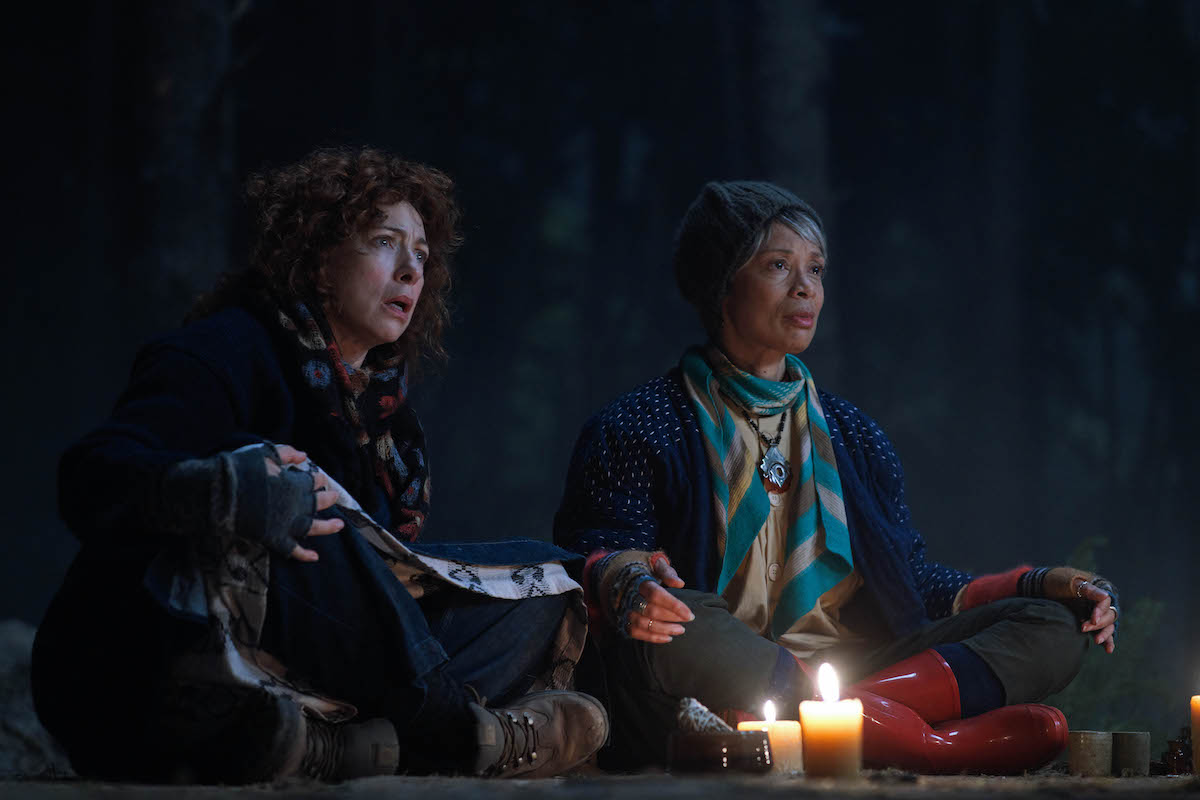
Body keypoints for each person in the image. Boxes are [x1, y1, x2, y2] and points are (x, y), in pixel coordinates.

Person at [33, 147, 607, 783]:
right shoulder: (230, 347)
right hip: (143, 670)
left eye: (420, 253)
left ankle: (330, 746)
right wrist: (228, 491)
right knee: (287, 485)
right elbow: (91, 477)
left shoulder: (388, 423)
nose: (411, 271)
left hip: (302, 674)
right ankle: (457, 734)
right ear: (319, 259)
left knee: (545, 582)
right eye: (385, 242)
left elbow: (366, 598)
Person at [554, 181, 1119, 774]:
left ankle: (855, 720)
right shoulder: (638, 424)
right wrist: (627, 579)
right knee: (684, 626)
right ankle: (926, 743)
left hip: (853, 663)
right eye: (779, 265)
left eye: (816, 270)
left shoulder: (854, 434)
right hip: (716, 685)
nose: (806, 289)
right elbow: (585, 558)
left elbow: (912, 581)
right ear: (721, 282)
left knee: (1052, 627)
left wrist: (1037, 583)